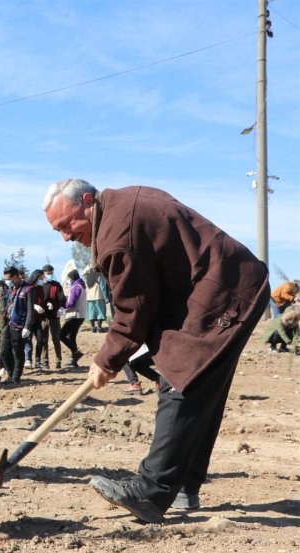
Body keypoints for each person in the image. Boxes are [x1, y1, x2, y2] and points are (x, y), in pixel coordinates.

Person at [43, 178, 269, 523]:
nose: (65, 235)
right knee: (199, 386)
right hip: (228, 286)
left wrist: (107, 360)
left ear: (87, 201)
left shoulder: (117, 235)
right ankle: (182, 486)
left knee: (181, 378)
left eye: (67, 224)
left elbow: (133, 309)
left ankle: (152, 490)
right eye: (57, 229)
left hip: (227, 292)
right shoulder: (119, 207)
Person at [40, 264, 66, 369]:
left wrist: (61, 308)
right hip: (43, 317)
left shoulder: (56, 285)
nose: (50, 275)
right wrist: (43, 305)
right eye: (48, 273)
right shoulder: (41, 285)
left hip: (55, 316)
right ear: (44, 274)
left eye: (51, 273)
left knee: (56, 339)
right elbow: (38, 299)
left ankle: (58, 360)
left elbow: (62, 298)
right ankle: (45, 361)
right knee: (44, 340)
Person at [60, 269, 86, 367]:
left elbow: (71, 302)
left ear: (73, 278)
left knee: (61, 335)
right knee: (72, 337)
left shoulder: (76, 287)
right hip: (81, 315)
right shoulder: (81, 285)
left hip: (75, 315)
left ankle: (76, 352)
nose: (69, 280)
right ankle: (74, 360)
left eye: (70, 278)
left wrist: (64, 308)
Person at [83, 266, 107, 332]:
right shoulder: (100, 275)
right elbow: (103, 286)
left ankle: (92, 328)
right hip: (98, 296)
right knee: (100, 312)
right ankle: (99, 328)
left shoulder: (87, 276)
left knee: (91, 313)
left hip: (89, 297)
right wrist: (106, 297)